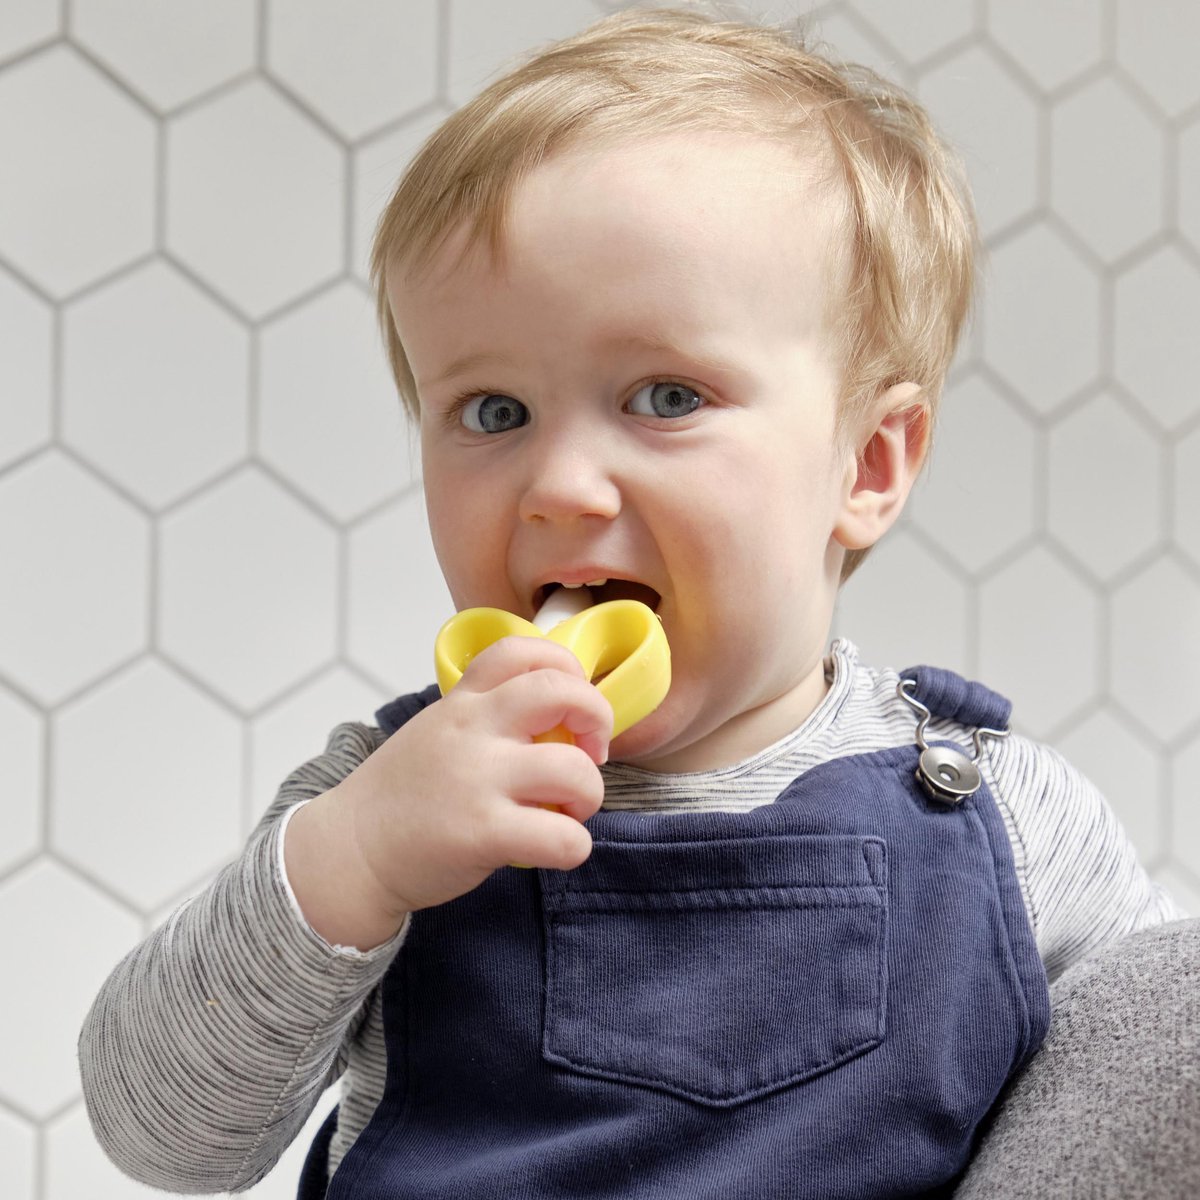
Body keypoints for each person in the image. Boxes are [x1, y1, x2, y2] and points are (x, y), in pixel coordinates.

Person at [79, 7, 1185, 1198]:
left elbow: (1153, 1073)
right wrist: (354, 858)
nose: (557, 484)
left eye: (665, 396)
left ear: (866, 465)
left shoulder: (1000, 816)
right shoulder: (386, 791)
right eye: (493, 412)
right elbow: (163, 1137)